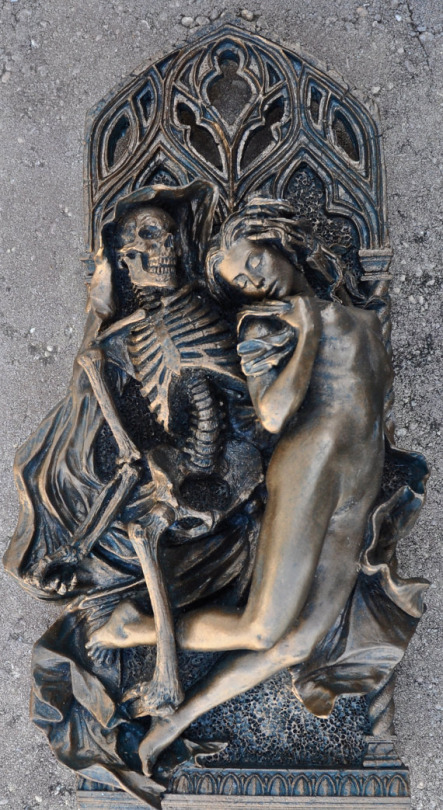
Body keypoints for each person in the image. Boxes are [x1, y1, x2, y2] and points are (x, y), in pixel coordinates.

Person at [88, 197, 400, 775]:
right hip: (311, 466)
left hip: (360, 478)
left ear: (274, 237)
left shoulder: (364, 315)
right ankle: (134, 630)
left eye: (253, 261)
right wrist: (306, 331)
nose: (255, 281)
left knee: (299, 643)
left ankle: (176, 721)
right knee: (262, 627)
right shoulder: (265, 324)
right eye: (242, 283)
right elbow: (273, 415)